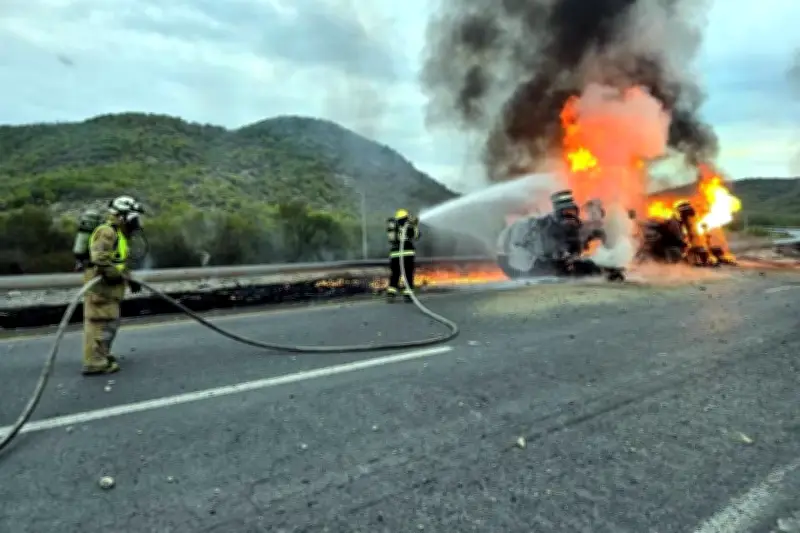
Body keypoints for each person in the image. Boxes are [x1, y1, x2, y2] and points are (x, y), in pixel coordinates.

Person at [81, 195, 145, 375]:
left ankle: (102, 355)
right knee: (99, 325)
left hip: (110, 290)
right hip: (101, 289)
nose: (137, 222)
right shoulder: (107, 232)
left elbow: (118, 262)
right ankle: (94, 362)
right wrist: (116, 276)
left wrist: (129, 278)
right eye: (134, 217)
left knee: (109, 324)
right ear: (122, 215)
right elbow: (100, 259)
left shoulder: (119, 235)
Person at [386, 208, 420, 302]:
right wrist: (415, 225)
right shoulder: (409, 226)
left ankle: (391, 294)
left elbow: (391, 239)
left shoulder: (393, 227)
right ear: (406, 217)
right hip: (407, 254)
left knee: (395, 275)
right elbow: (416, 236)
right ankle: (408, 295)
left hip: (395, 255)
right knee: (408, 274)